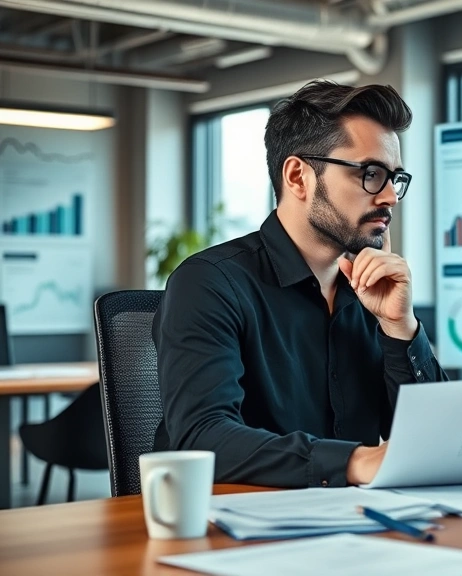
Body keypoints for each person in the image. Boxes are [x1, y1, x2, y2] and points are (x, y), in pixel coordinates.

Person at [152, 80, 446, 488]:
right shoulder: (209, 284)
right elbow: (202, 437)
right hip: (240, 529)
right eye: (371, 174)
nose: (390, 198)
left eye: (394, 178)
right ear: (298, 177)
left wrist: (400, 327)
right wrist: (355, 462)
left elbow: (436, 439)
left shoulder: (372, 291)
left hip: (357, 524)